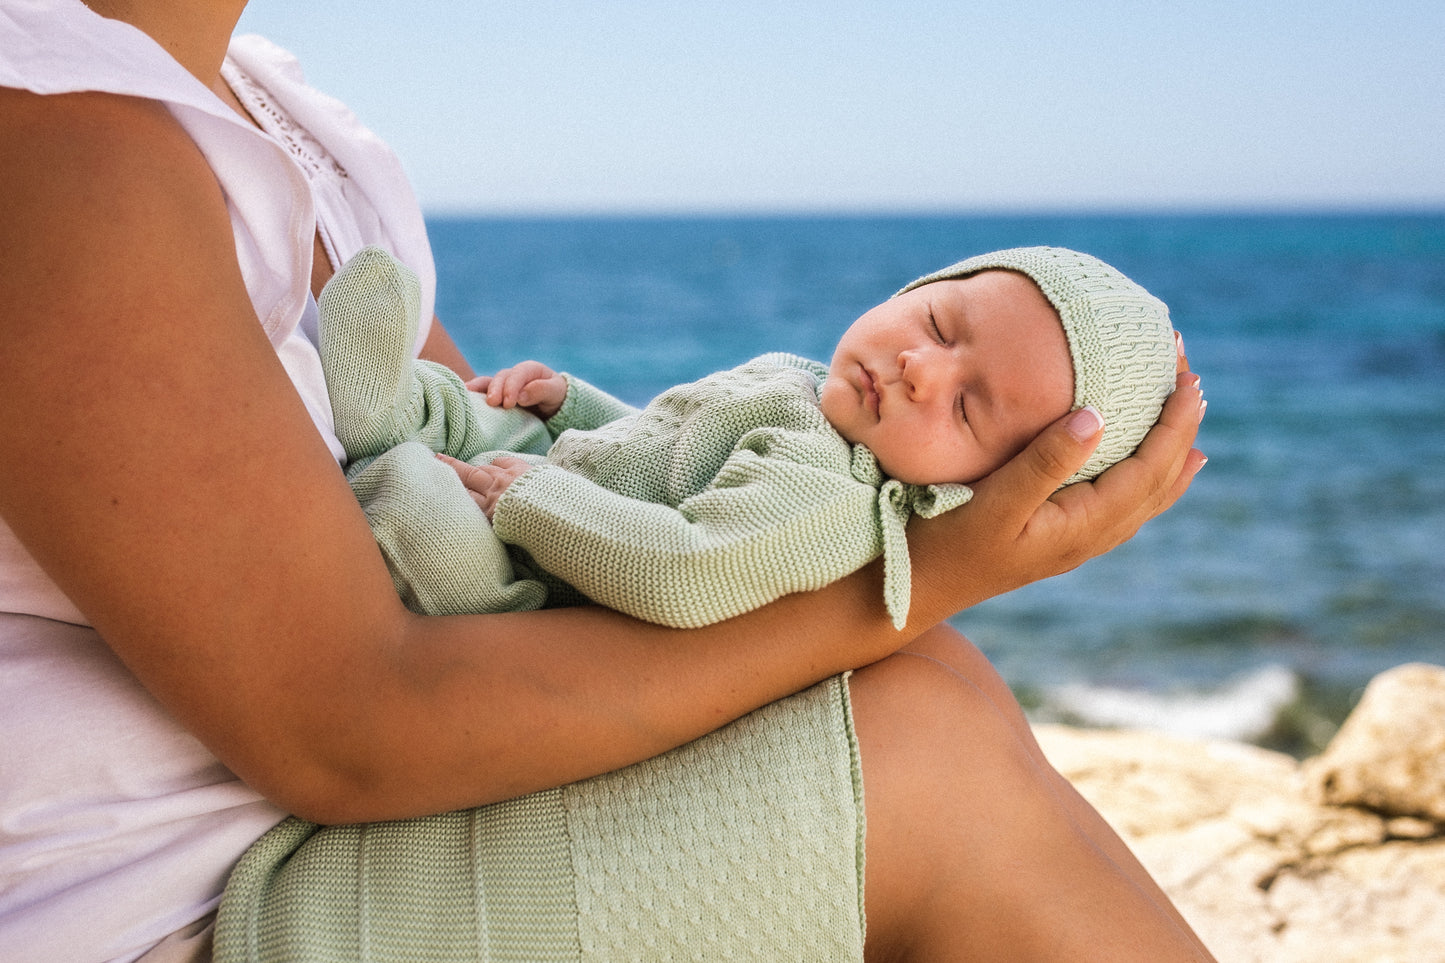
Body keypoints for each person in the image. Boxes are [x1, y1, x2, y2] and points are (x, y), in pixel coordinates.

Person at [0, 2, 1213, 962]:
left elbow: (453, 432)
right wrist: (916, 581)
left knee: (929, 689)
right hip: (172, 906)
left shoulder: (261, 105)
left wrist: (545, 418)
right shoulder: (58, 143)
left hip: (332, 830)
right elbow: (351, 733)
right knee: (928, 771)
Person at [315, 244, 1176, 631]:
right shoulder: (798, 382)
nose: (922, 369)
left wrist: (526, 497)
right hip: (560, 486)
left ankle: (382, 454)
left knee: (426, 509)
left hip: (535, 583)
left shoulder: (829, 498)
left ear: (979, 485)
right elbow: (662, 445)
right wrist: (570, 406)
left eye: (966, 409)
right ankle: (390, 407)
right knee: (475, 406)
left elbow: (684, 567)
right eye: (937, 322)